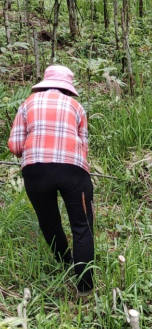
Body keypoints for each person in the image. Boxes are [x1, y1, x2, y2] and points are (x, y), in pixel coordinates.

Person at [8, 65, 95, 296]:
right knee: (82, 227)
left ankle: (66, 262)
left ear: (45, 83)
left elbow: (15, 146)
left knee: (49, 222)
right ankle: (85, 288)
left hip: (36, 172)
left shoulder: (27, 104)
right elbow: (83, 148)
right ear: (68, 88)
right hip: (73, 171)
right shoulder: (77, 107)